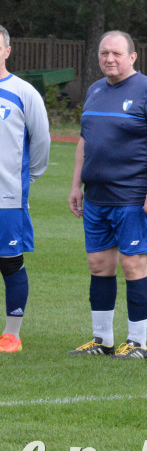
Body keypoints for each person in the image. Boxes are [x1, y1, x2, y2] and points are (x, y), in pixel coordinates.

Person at [67, 31, 147, 359]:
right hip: (97, 196)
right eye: (104, 53)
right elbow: (85, 142)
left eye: (116, 53)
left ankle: (138, 343)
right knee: (99, 265)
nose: (109, 59)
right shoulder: (95, 91)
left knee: (133, 266)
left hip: (133, 197)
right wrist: (76, 185)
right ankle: (102, 341)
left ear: (132, 56)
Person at [0, 25, 51, 353]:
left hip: (7, 198)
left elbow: (42, 139)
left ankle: (11, 334)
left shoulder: (23, 92)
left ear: (7, 50)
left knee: (10, 262)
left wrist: (27, 179)